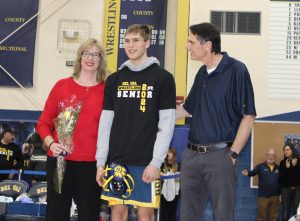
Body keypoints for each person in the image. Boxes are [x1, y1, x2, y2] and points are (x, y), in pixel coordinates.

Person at [176, 22, 256, 221]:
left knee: (223, 215)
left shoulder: (237, 70)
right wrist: (154, 115)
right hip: (191, 156)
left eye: (191, 41)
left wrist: (234, 154)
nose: (187, 46)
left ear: (208, 46)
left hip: (221, 156)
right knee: (188, 214)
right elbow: (187, 109)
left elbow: (249, 116)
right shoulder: (202, 73)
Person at [96, 24, 176, 221]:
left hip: (146, 161)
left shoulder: (163, 78)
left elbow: (167, 125)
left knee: (145, 213)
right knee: (117, 212)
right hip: (116, 160)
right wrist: (100, 162)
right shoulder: (114, 79)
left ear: (147, 43)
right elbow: (105, 123)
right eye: (127, 41)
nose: (130, 45)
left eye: (136, 40)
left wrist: (156, 162)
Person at [36, 38, 107, 221]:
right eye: (86, 53)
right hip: (60, 162)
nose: (90, 57)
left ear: (101, 60)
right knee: (56, 213)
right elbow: (43, 123)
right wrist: (51, 144)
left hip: (92, 165)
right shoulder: (62, 86)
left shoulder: (107, 91)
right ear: (79, 57)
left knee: (89, 214)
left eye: (95, 54)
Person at [242, 148, 280, 221]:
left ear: (275, 156)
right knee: (261, 217)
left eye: (272, 155)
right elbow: (252, 173)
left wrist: (280, 194)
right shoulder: (260, 166)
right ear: (267, 155)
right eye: (269, 155)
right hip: (263, 197)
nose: (271, 156)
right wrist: (248, 173)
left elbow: (281, 181)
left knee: (273, 217)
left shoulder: (278, 168)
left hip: (275, 197)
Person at [279, 143, 300, 221]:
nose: (286, 152)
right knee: (285, 214)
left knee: (297, 214)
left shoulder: (299, 161)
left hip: (298, 190)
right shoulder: (282, 163)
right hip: (286, 190)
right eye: (284, 150)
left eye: (287, 150)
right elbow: (281, 179)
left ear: (292, 150)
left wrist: (295, 167)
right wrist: (287, 168)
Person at [160, 147, 180, 221]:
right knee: (164, 212)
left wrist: (176, 175)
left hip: (175, 192)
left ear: (173, 154)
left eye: (170, 152)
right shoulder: (162, 165)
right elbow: (159, 175)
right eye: (167, 152)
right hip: (164, 192)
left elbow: (180, 177)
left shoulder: (178, 165)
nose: (168, 154)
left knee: (172, 212)